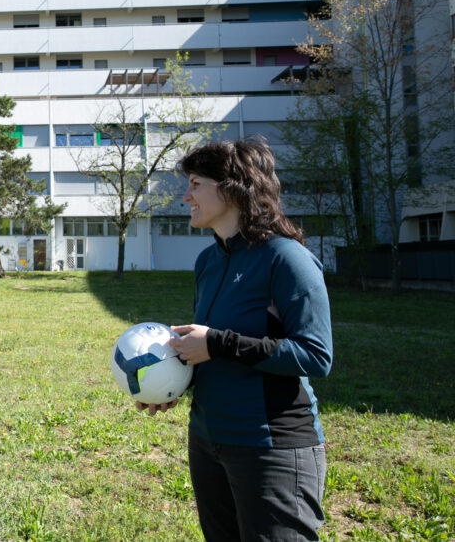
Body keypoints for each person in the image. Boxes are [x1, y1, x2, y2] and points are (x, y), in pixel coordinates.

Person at [139, 137, 333, 541]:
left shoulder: (286, 257)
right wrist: (170, 384)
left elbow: (316, 355)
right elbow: (209, 347)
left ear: (232, 186)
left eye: (195, 183)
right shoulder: (208, 261)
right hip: (207, 440)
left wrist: (219, 343)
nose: (185, 195)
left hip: (271, 447)